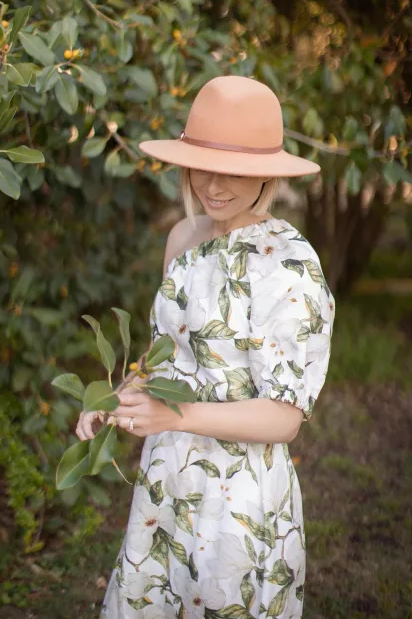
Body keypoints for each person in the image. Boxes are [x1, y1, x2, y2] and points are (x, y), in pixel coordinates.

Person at [76, 76, 336, 618]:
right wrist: (118, 397)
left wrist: (174, 417)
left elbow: (285, 419)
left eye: (234, 170)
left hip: (239, 495)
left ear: (266, 173)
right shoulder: (182, 238)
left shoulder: (287, 264)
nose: (213, 185)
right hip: (169, 480)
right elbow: (167, 353)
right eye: (201, 165)